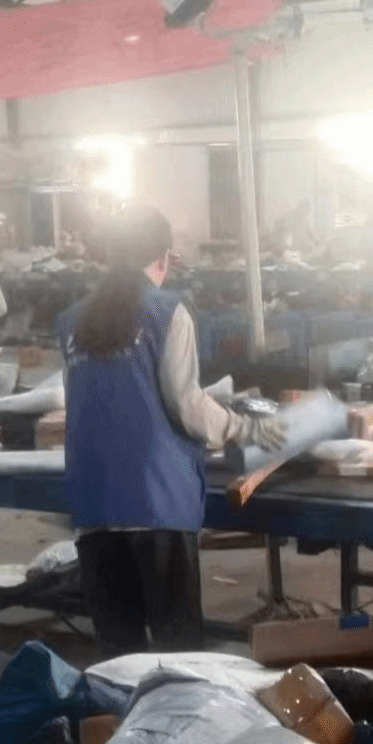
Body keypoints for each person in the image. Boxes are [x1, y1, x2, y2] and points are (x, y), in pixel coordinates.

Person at [58, 206, 285, 653]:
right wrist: (245, 428)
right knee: (176, 645)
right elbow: (187, 406)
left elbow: (79, 401)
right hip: (155, 500)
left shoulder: (70, 321)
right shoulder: (166, 311)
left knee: (118, 651)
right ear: (163, 258)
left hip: (93, 501)